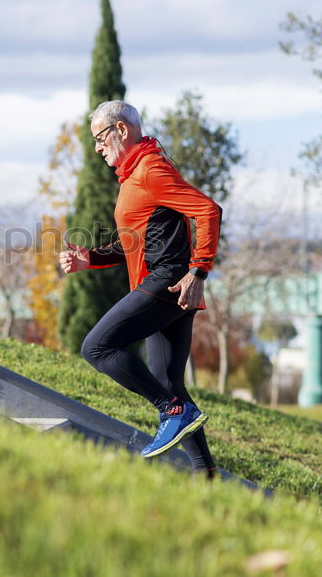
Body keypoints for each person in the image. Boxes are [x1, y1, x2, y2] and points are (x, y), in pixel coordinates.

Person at [59, 100, 221, 477]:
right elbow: (135, 240)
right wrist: (91, 259)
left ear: (121, 130)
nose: (97, 148)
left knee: (97, 347)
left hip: (166, 283)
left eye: (100, 138)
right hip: (167, 287)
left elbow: (208, 210)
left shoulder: (151, 169)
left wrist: (199, 271)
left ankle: (173, 412)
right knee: (167, 381)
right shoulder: (134, 175)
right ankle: (206, 474)